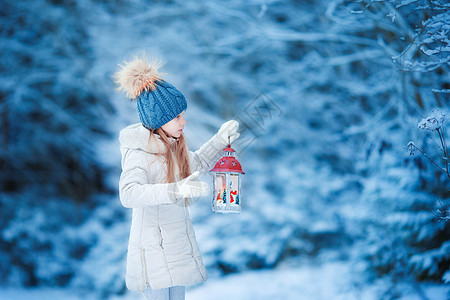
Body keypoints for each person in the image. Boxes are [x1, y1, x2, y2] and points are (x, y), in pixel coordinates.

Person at [114, 54, 240, 300]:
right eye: (177, 116)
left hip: (176, 250)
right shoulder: (140, 154)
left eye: (183, 114)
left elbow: (199, 164)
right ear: (159, 121)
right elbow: (128, 193)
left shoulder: (173, 147)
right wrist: (175, 190)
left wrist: (219, 140)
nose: (184, 120)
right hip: (153, 255)